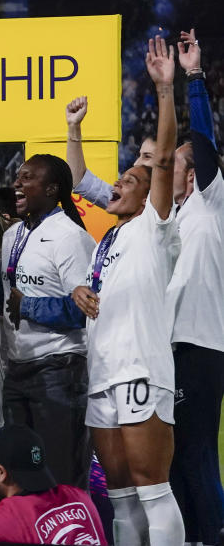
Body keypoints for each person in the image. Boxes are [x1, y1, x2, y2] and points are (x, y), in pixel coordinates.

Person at [71, 36, 183, 546]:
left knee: (152, 487)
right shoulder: (108, 239)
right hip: (103, 374)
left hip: (141, 368)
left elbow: (160, 164)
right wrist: (79, 296)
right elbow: (79, 179)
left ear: (148, 195)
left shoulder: (155, 227)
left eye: (127, 181)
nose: (116, 184)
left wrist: (164, 90)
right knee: (118, 494)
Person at [0, 151, 97, 488]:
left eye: (28, 178)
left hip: (59, 370)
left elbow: (83, 312)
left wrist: (29, 307)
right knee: (21, 477)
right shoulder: (13, 236)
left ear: (52, 189)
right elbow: (4, 302)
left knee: (61, 475)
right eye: (18, 176)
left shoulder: (71, 237)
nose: (17, 183)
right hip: (17, 370)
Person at [166, 29, 224, 546]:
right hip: (173, 348)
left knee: (199, 451)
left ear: (193, 176)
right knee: (177, 453)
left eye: (176, 165)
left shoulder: (211, 203)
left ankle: (213, 535)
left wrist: (194, 78)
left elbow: (203, 143)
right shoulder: (175, 218)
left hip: (202, 347)